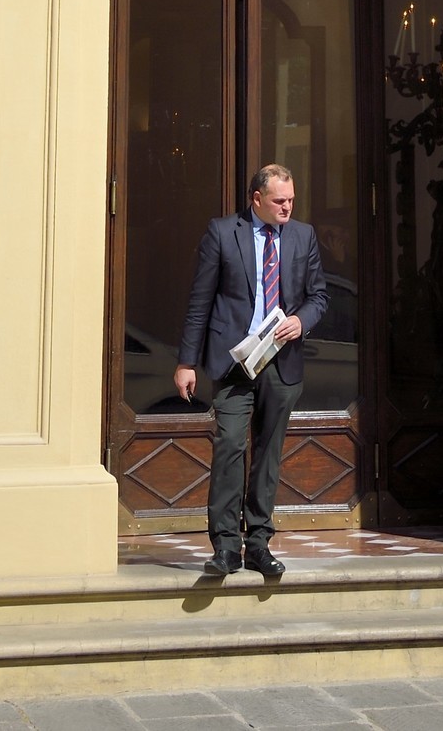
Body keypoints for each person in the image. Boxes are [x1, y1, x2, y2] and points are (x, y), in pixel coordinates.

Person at [174, 162, 329, 578]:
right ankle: (225, 545)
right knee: (229, 445)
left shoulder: (303, 236)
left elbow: (318, 295)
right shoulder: (223, 233)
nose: (287, 208)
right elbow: (199, 301)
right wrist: (187, 361)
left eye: (292, 200)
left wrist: (303, 320)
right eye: (279, 201)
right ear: (256, 199)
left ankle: (258, 541)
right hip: (234, 361)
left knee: (269, 453)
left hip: (282, 361)